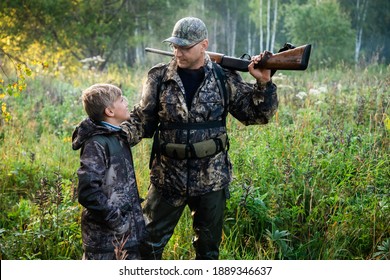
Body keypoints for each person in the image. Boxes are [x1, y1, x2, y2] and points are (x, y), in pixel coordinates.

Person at [122, 16, 278, 260]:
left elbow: (257, 115)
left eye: (185, 47)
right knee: (146, 246)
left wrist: (263, 83)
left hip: (211, 179)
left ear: (204, 45)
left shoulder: (223, 77)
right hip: (167, 178)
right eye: (175, 46)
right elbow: (142, 120)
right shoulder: (159, 77)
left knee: (208, 252)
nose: (178, 52)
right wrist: (113, 136)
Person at [72, 83, 145, 260]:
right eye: (121, 100)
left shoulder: (117, 136)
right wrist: (117, 220)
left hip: (127, 237)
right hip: (105, 242)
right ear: (109, 112)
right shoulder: (96, 143)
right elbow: (88, 192)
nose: (126, 103)